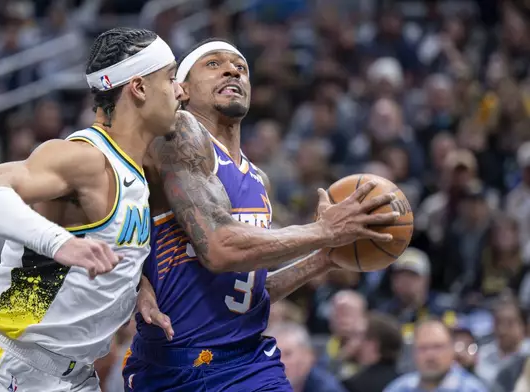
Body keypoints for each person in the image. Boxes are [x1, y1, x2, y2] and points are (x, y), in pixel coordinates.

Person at [123, 39, 399, 390]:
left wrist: (322, 260)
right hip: (179, 365)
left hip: (249, 360)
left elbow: (247, 291)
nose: (232, 69)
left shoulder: (259, 179)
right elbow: (221, 250)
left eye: (240, 67)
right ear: (183, 89)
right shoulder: (177, 138)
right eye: (213, 64)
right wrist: (324, 231)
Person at [0, 27, 181, 392]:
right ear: (139, 87)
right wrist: (58, 242)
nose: (180, 90)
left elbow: (109, 249)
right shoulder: (84, 157)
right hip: (0, 366)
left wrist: (137, 290)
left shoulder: (137, 171)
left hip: (75, 377)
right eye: (171, 78)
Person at [385, 320, 487, 392]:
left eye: (437, 347)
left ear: (452, 349)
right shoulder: (398, 388)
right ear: (414, 352)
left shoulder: (472, 389)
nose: (430, 355)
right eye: (423, 348)